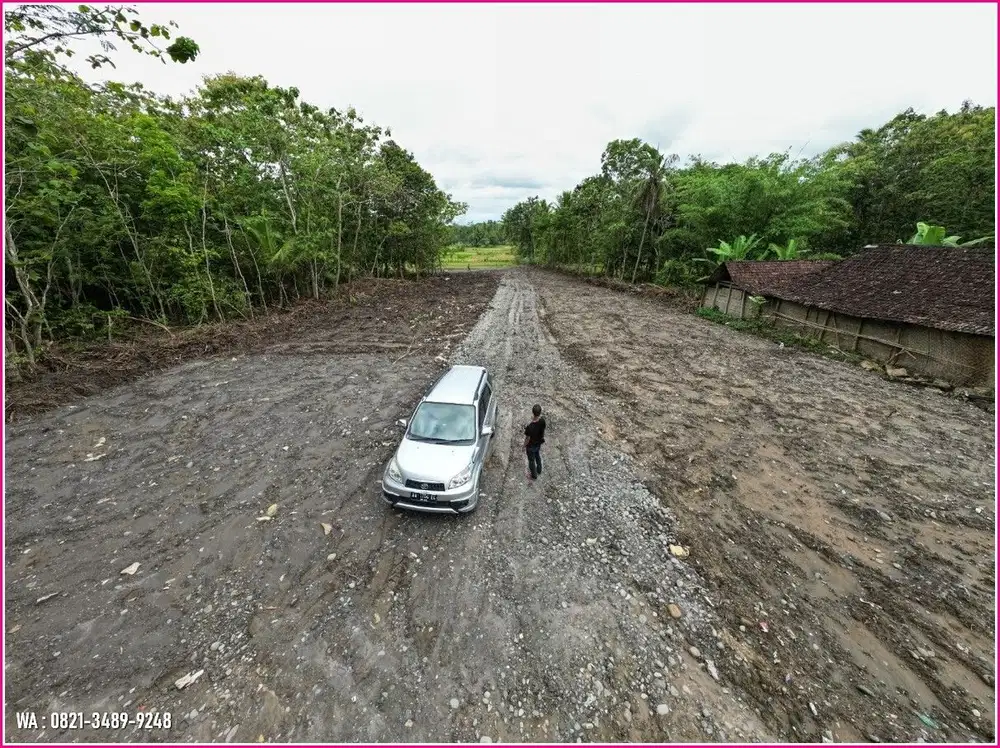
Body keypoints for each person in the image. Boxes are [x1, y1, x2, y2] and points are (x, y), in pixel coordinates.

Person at [523, 404, 546, 480]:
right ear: (540, 412)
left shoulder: (530, 427)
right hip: (538, 443)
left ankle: (534, 475)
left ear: (532, 412)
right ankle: (539, 470)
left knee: (531, 461)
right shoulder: (542, 421)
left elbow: (527, 439)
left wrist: (523, 446)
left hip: (530, 446)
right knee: (537, 455)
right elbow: (542, 431)